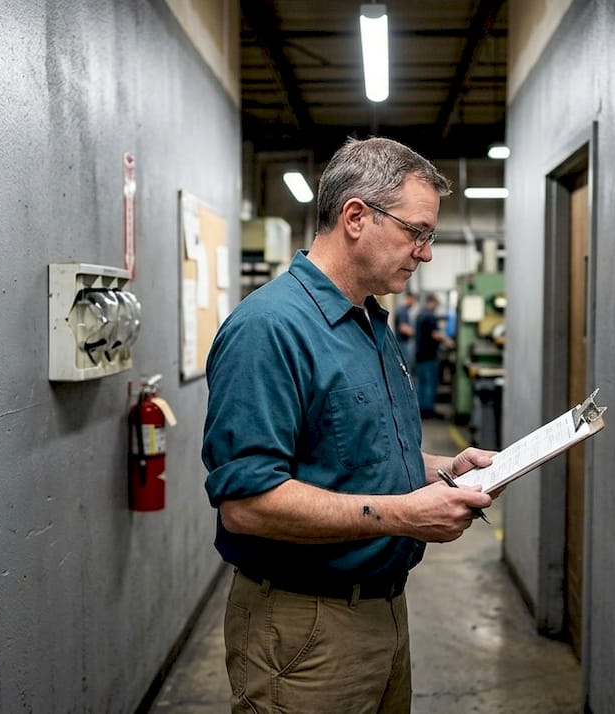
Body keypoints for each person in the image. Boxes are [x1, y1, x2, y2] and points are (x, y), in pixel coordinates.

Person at [202, 137, 496, 714]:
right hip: (306, 628)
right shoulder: (269, 329)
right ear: (356, 217)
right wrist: (406, 513)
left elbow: (350, 449)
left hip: (385, 612)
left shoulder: (369, 321)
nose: (426, 252)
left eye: (428, 235)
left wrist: (440, 468)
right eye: (417, 232)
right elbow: (246, 503)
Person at [413, 293, 451, 418]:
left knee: (421, 383)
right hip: (429, 355)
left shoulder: (420, 314)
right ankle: (428, 410)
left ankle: (421, 410)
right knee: (430, 383)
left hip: (420, 355)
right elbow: (435, 334)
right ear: (433, 302)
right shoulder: (430, 316)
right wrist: (448, 341)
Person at [394, 292, 417, 369]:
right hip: (402, 343)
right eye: (413, 301)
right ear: (409, 298)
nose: (413, 303)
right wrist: (417, 333)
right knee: (406, 365)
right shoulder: (403, 311)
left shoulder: (403, 310)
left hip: (403, 342)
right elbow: (403, 328)